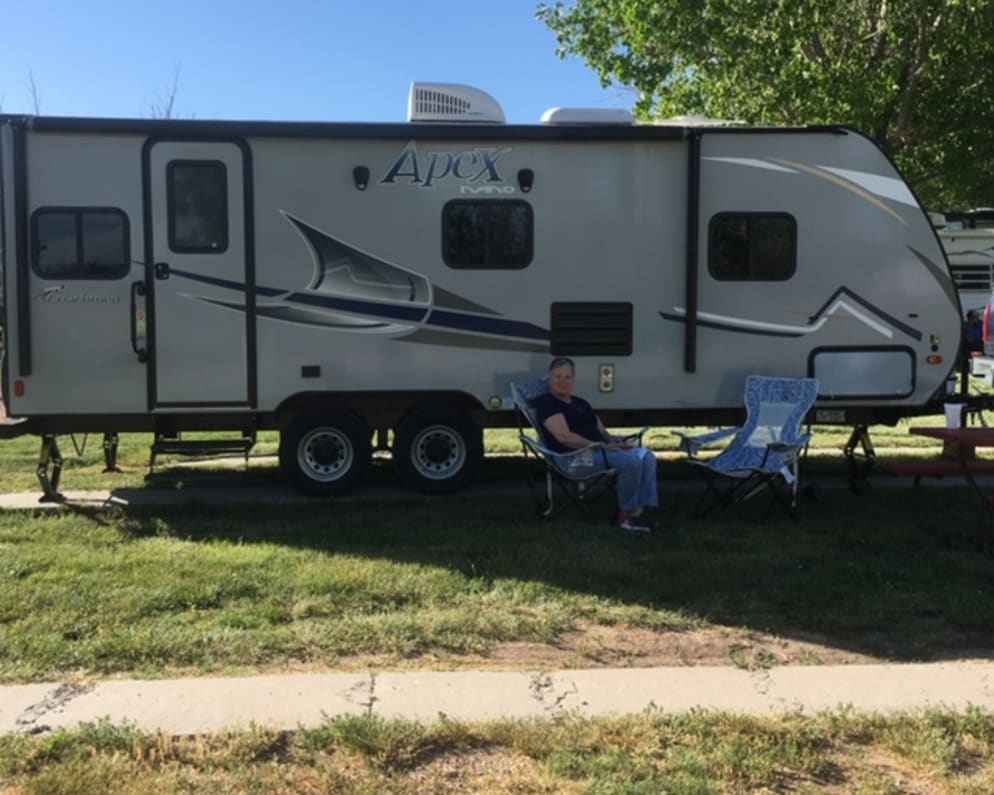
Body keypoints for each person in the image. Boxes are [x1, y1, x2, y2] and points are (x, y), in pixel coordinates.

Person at [534, 357, 659, 531]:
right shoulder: (547, 404)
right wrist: (600, 446)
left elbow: (602, 430)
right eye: (558, 376)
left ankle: (641, 512)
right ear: (550, 378)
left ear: (573, 379)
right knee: (631, 461)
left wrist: (614, 443)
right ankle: (626, 516)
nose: (563, 381)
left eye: (567, 377)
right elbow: (564, 437)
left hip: (598, 451)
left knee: (646, 456)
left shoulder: (581, 403)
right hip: (573, 458)